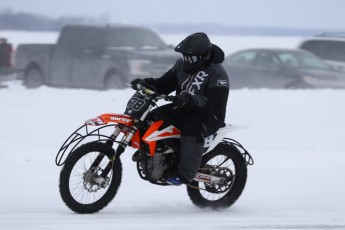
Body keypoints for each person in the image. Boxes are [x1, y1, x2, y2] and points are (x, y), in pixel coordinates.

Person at [131, 32, 229, 185]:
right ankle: (153, 153)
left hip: (208, 116)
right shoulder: (180, 65)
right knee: (153, 116)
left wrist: (190, 99)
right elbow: (164, 84)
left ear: (203, 55)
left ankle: (185, 173)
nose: (187, 61)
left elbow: (215, 105)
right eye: (185, 57)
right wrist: (146, 83)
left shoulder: (218, 73)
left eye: (191, 58)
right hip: (183, 108)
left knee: (192, 129)